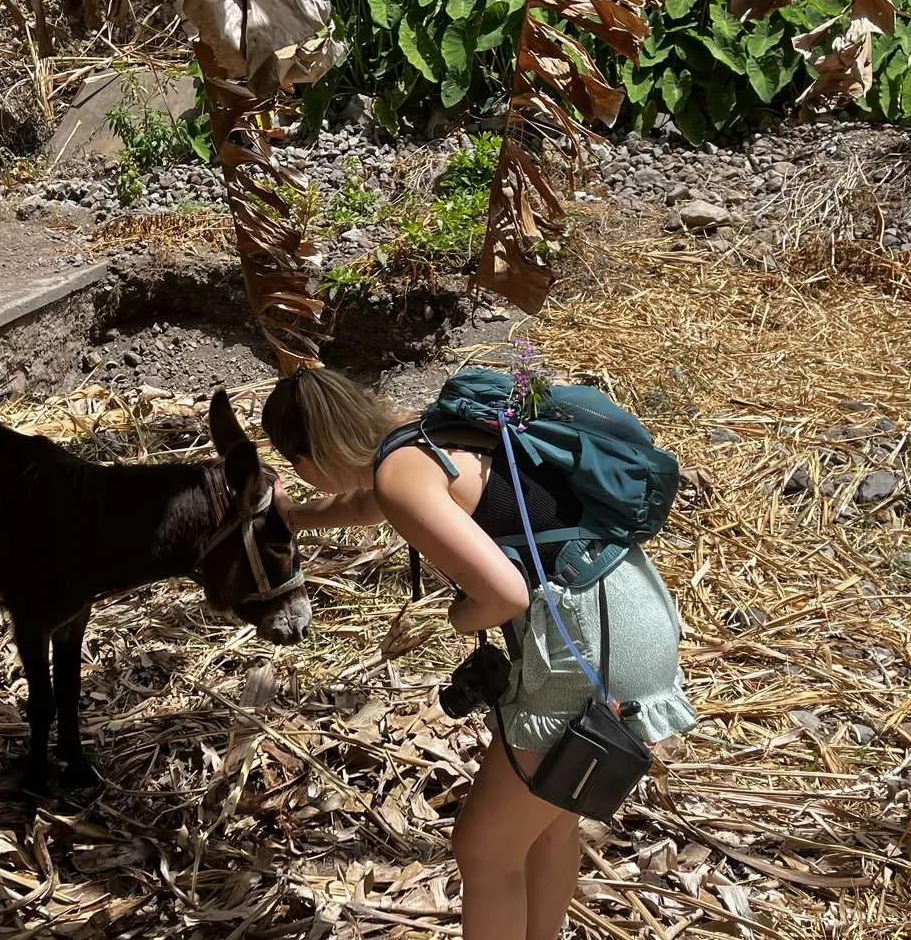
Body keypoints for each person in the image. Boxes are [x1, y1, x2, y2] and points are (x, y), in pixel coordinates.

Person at [261, 367, 697, 940]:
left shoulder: (402, 475)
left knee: (483, 850)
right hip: (633, 612)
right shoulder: (437, 441)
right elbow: (368, 505)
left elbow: (505, 594)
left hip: (583, 643)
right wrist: (291, 517)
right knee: (548, 830)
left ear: (308, 457)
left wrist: (457, 616)